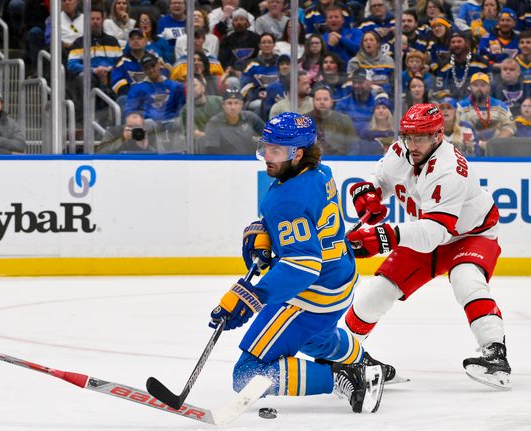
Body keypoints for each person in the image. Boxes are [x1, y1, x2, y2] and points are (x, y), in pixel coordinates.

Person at [210, 112, 385, 413]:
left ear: (298, 153)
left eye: (276, 151)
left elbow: (303, 266)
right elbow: (306, 223)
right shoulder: (320, 172)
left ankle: (347, 375)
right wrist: (266, 234)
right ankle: (360, 359)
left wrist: (253, 297)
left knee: (247, 375)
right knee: (318, 339)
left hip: (308, 295)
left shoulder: (285, 199)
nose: (267, 156)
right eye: (266, 147)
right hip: (339, 282)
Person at [345, 103, 510, 390]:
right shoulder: (400, 150)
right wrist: (368, 193)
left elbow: (435, 233)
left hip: (470, 235)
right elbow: (381, 180)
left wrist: (384, 236)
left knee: (466, 280)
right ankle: (344, 355)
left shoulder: (449, 170)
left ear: (438, 136)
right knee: (379, 290)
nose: (412, 144)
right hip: (426, 231)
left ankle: (496, 356)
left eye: (420, 137)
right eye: (408, 136)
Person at [67, 7, 123, 97]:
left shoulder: (112, 41)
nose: (95, 22)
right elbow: (71, 65)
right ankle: (87, 110)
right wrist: (93, 70)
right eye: (92, 19)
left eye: (98, 19)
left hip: (111, 74)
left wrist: (108, 69)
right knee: (84, 77)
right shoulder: (79, 42)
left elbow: (121, 62)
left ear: (102, 21)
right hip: (90, 75)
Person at [458, 72, 516, 153]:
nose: (479, 88)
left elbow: (510, 126)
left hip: (497, 147)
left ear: (489, 88)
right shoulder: (461, 106)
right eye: (475, 85)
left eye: (483, 85)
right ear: (470, 88)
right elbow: (457, 129)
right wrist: (477, 143)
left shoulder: (500, 106)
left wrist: (494, 144)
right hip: (470, 149)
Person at [125, 53, 186, 123]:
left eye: (153, 66)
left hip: (172, 125)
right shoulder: (136, 89)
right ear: (143, 69)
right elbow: (130, 111)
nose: (151, 70)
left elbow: (182, 107)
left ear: (159, 65)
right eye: (147, 68)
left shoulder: (175, 86)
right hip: (148, 127)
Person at [200, 88, 264, 154]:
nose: (233, 107)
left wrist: (257, 141)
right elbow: (211, 150)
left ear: (241, 104)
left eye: (236, 103)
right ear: (223, 105)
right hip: (223, 162)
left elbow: (269, 136)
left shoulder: (250, 117)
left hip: (250, 161)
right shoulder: (214, 123)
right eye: (229, 103)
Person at [431, 31, 489, 101]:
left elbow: (490, 86)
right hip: (451, 105)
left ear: (466, 43)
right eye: (453, 42)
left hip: (476, 103)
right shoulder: (444, 66)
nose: (456, 44)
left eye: (459, 41)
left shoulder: (481, 62)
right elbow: (439, 90)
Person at [306, 84, 358, 155]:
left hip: (340, 161)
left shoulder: (345, 120)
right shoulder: (304, 120)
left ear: (331, 102)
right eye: (318, 99)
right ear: (313, 101)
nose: (322, 102)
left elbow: (354, 146)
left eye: (325, 99)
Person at [335, 68, 380, 135]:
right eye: (354, 82)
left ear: (370, 83)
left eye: (360, 82)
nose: (356, 85)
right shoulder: (342, 104)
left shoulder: (378, 104)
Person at [180, 77, 223, 146]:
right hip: (202, 148)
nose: (191, 89)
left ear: (203, 88)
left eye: (194, 85)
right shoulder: (185, 110)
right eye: (188, 87)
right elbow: (195, 134)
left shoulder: (219, 101)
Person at [218, 9, 260, 76]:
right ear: (232, 24)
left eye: (242, 19)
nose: (239, 23)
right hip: (232, 74)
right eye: (236, 20)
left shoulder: (256, 38)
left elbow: (259, 58)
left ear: (248, 23)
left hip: (253, 73)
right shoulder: (227, 40)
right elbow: (223, 61)